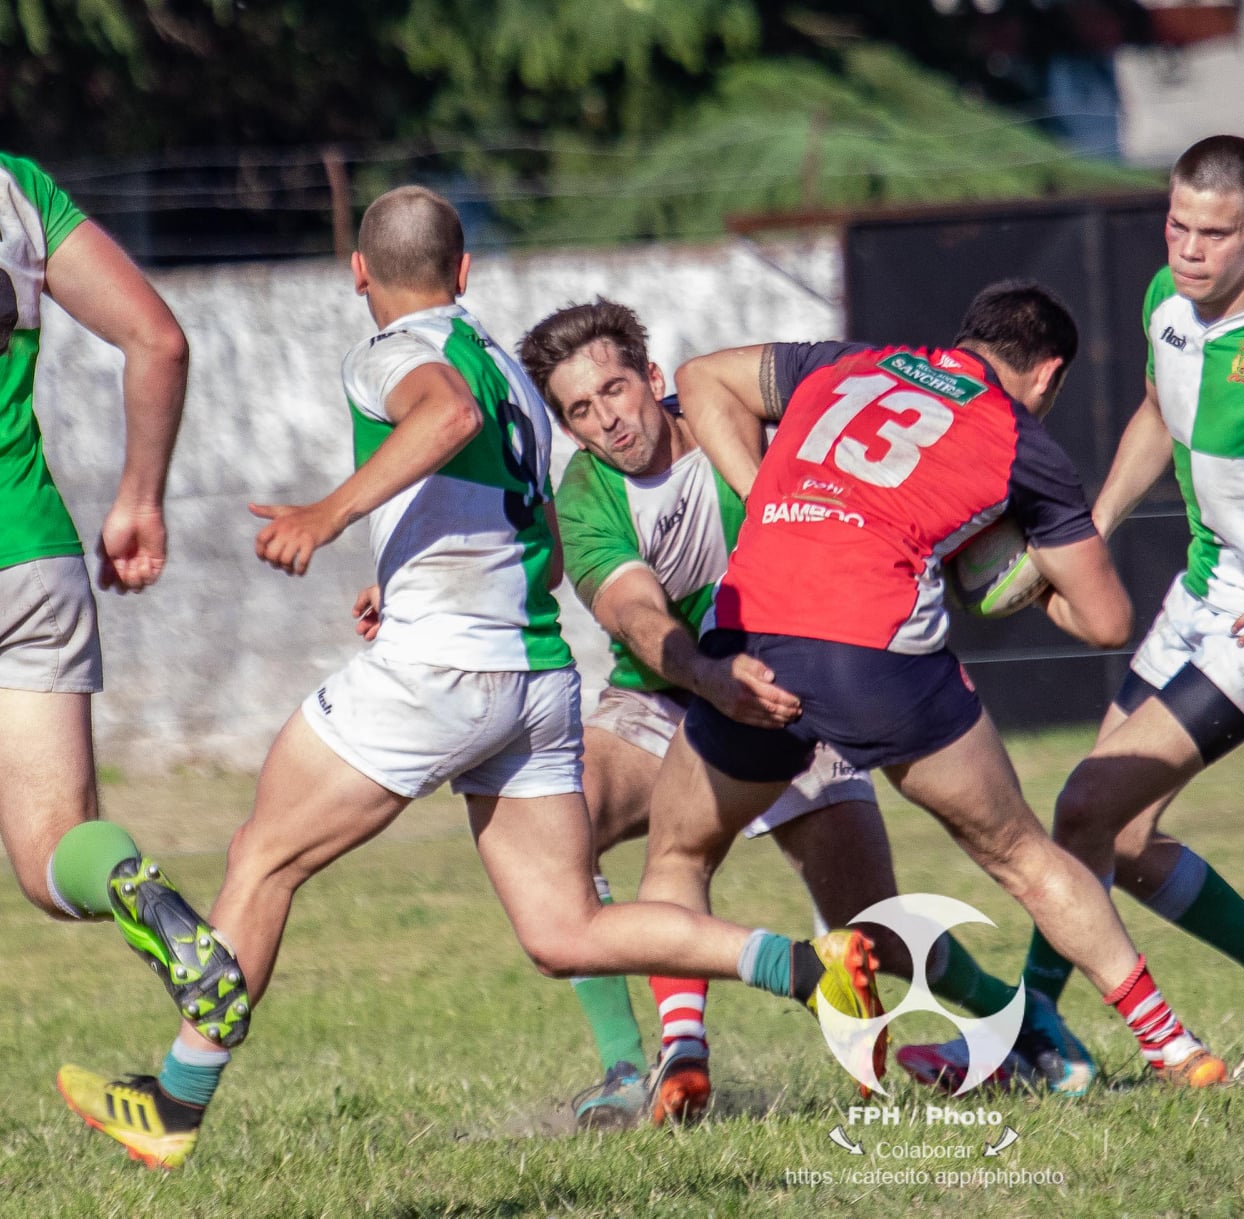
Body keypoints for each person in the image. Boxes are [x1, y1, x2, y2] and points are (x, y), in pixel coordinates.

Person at [56, 186, 880, 1171]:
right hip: (531, 679)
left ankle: (176, 1100)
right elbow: (507, 509)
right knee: (564, 928)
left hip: (438, 671)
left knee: (263, 857)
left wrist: (326, 515)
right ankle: (801, 963)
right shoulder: (510, 371)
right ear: (465, 269)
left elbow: (438, 416)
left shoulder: (401, 353)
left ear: (359, 273)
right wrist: (397, 578)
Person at [641, 279, 1234, 1091]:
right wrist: (1015, 572)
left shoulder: (851, 360)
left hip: (757, 627)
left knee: (679, 847)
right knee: (1021, 851)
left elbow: (703, 375)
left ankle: (684, 1050)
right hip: (873, 650)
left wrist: (768, 495)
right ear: (1049, 374)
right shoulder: (1019, 440)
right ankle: (1174, 1047)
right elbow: (1106, 620)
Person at [936, 136, 1244, 1096]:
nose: (1189, 250)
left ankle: (1032, 1026)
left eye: (1215, 234)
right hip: (1201, 590)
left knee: (1085, 806)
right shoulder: (1164, 302)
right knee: (1123, 839)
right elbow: (1155, 410)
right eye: (1178, 225)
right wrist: (1089, 530)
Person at [519, 298, 1026, 1126]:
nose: (607, 421)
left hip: (796, 690)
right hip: (665, 693)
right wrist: (708, 677)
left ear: (653, 376)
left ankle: (1019, 1019)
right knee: (558, 842)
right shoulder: (585, 496)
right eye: (580, 410)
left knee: (881, 929)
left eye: (614, 389)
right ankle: (639, 1064)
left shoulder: (734, 424)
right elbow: (639, 616)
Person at [0, 153, 247, 1047]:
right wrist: (139, 497)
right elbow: (158, 339)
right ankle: (131, 884)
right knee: (52, 852)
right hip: (32, 561)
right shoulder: (15, 188)